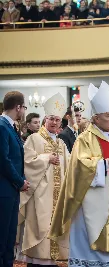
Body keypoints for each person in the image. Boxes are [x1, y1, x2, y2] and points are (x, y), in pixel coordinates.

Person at [49, 81, 109, 266]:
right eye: (108, 116)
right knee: (89, 239)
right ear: (96, 119)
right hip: (91, 200)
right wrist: (105, 164)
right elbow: (80, 166)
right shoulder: (84, 139)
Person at [17, 93, 70, 266]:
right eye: (51, 119)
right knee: (40, 227)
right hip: (40, 194)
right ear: (44, 120)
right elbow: (26, 161)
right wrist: (46, 158)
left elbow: (69, 166)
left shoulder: (61, 143)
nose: (54, 123)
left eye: (57, 120)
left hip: (58, 194)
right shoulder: (34, 139)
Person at [0, 91, 29, 267]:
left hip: (11, 189)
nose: (24, 111)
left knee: (10, 236)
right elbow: (4, 159)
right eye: (24, 107)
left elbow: (16, 158)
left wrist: (21, 180)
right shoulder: (2, 126)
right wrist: (20, 181)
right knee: (3, 237)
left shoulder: (10, 126)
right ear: (18, 107)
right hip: (4, 190)